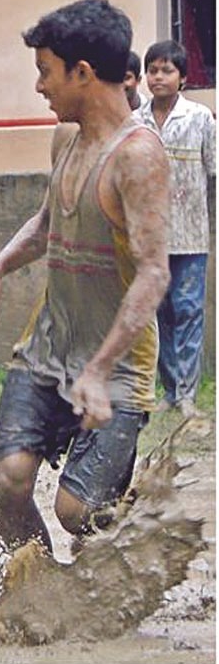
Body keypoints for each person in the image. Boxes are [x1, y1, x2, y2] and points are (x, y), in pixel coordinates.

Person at [0, 0, 171, 554]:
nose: (39, 86)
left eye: (45, 72)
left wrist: (99, 370)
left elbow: (154, 274)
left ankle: (127, 531)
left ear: (82, 73)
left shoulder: (138, 157)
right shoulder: (67, 137)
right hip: (48, 346)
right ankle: (37, 589)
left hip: (118, 364)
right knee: (8, 479)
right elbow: (46, 223)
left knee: (79, 515)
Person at [134, 40, 216, 420]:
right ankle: (168, 389)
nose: (158, 77)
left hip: (191, 234)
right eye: (152, 70)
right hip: (149, 237)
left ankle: (186, 394)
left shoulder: (199, 118)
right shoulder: (136, 121)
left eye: (167, 70)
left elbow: (214, 171)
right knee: (159, 311)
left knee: (188, 309)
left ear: (182, 78)